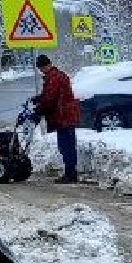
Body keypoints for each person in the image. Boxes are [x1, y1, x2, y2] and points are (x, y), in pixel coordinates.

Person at [34, 54, 82, 183]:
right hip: (65, 116)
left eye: (41, 69)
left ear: (45, 66)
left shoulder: (54, 78)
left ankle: (70, 175)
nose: (41, 71)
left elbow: (51, 99)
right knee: (68, 145)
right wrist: (39, 98)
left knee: (66, 146)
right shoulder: (57, 75)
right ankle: (71, 173)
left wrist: (39, 110)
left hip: (63, 116)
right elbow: (51, 95)